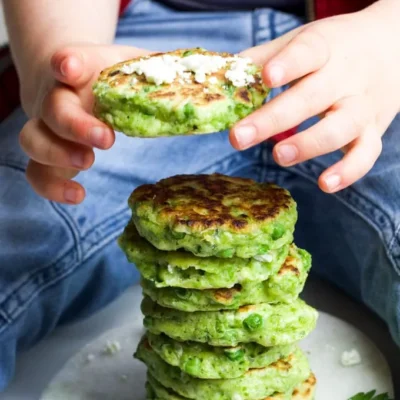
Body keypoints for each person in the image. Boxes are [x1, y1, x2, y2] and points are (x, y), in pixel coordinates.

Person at [0, 0, 399, 391]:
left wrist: (388, 37)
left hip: (365, 54)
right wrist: (56, 61)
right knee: (21, 235)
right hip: (143, 51)